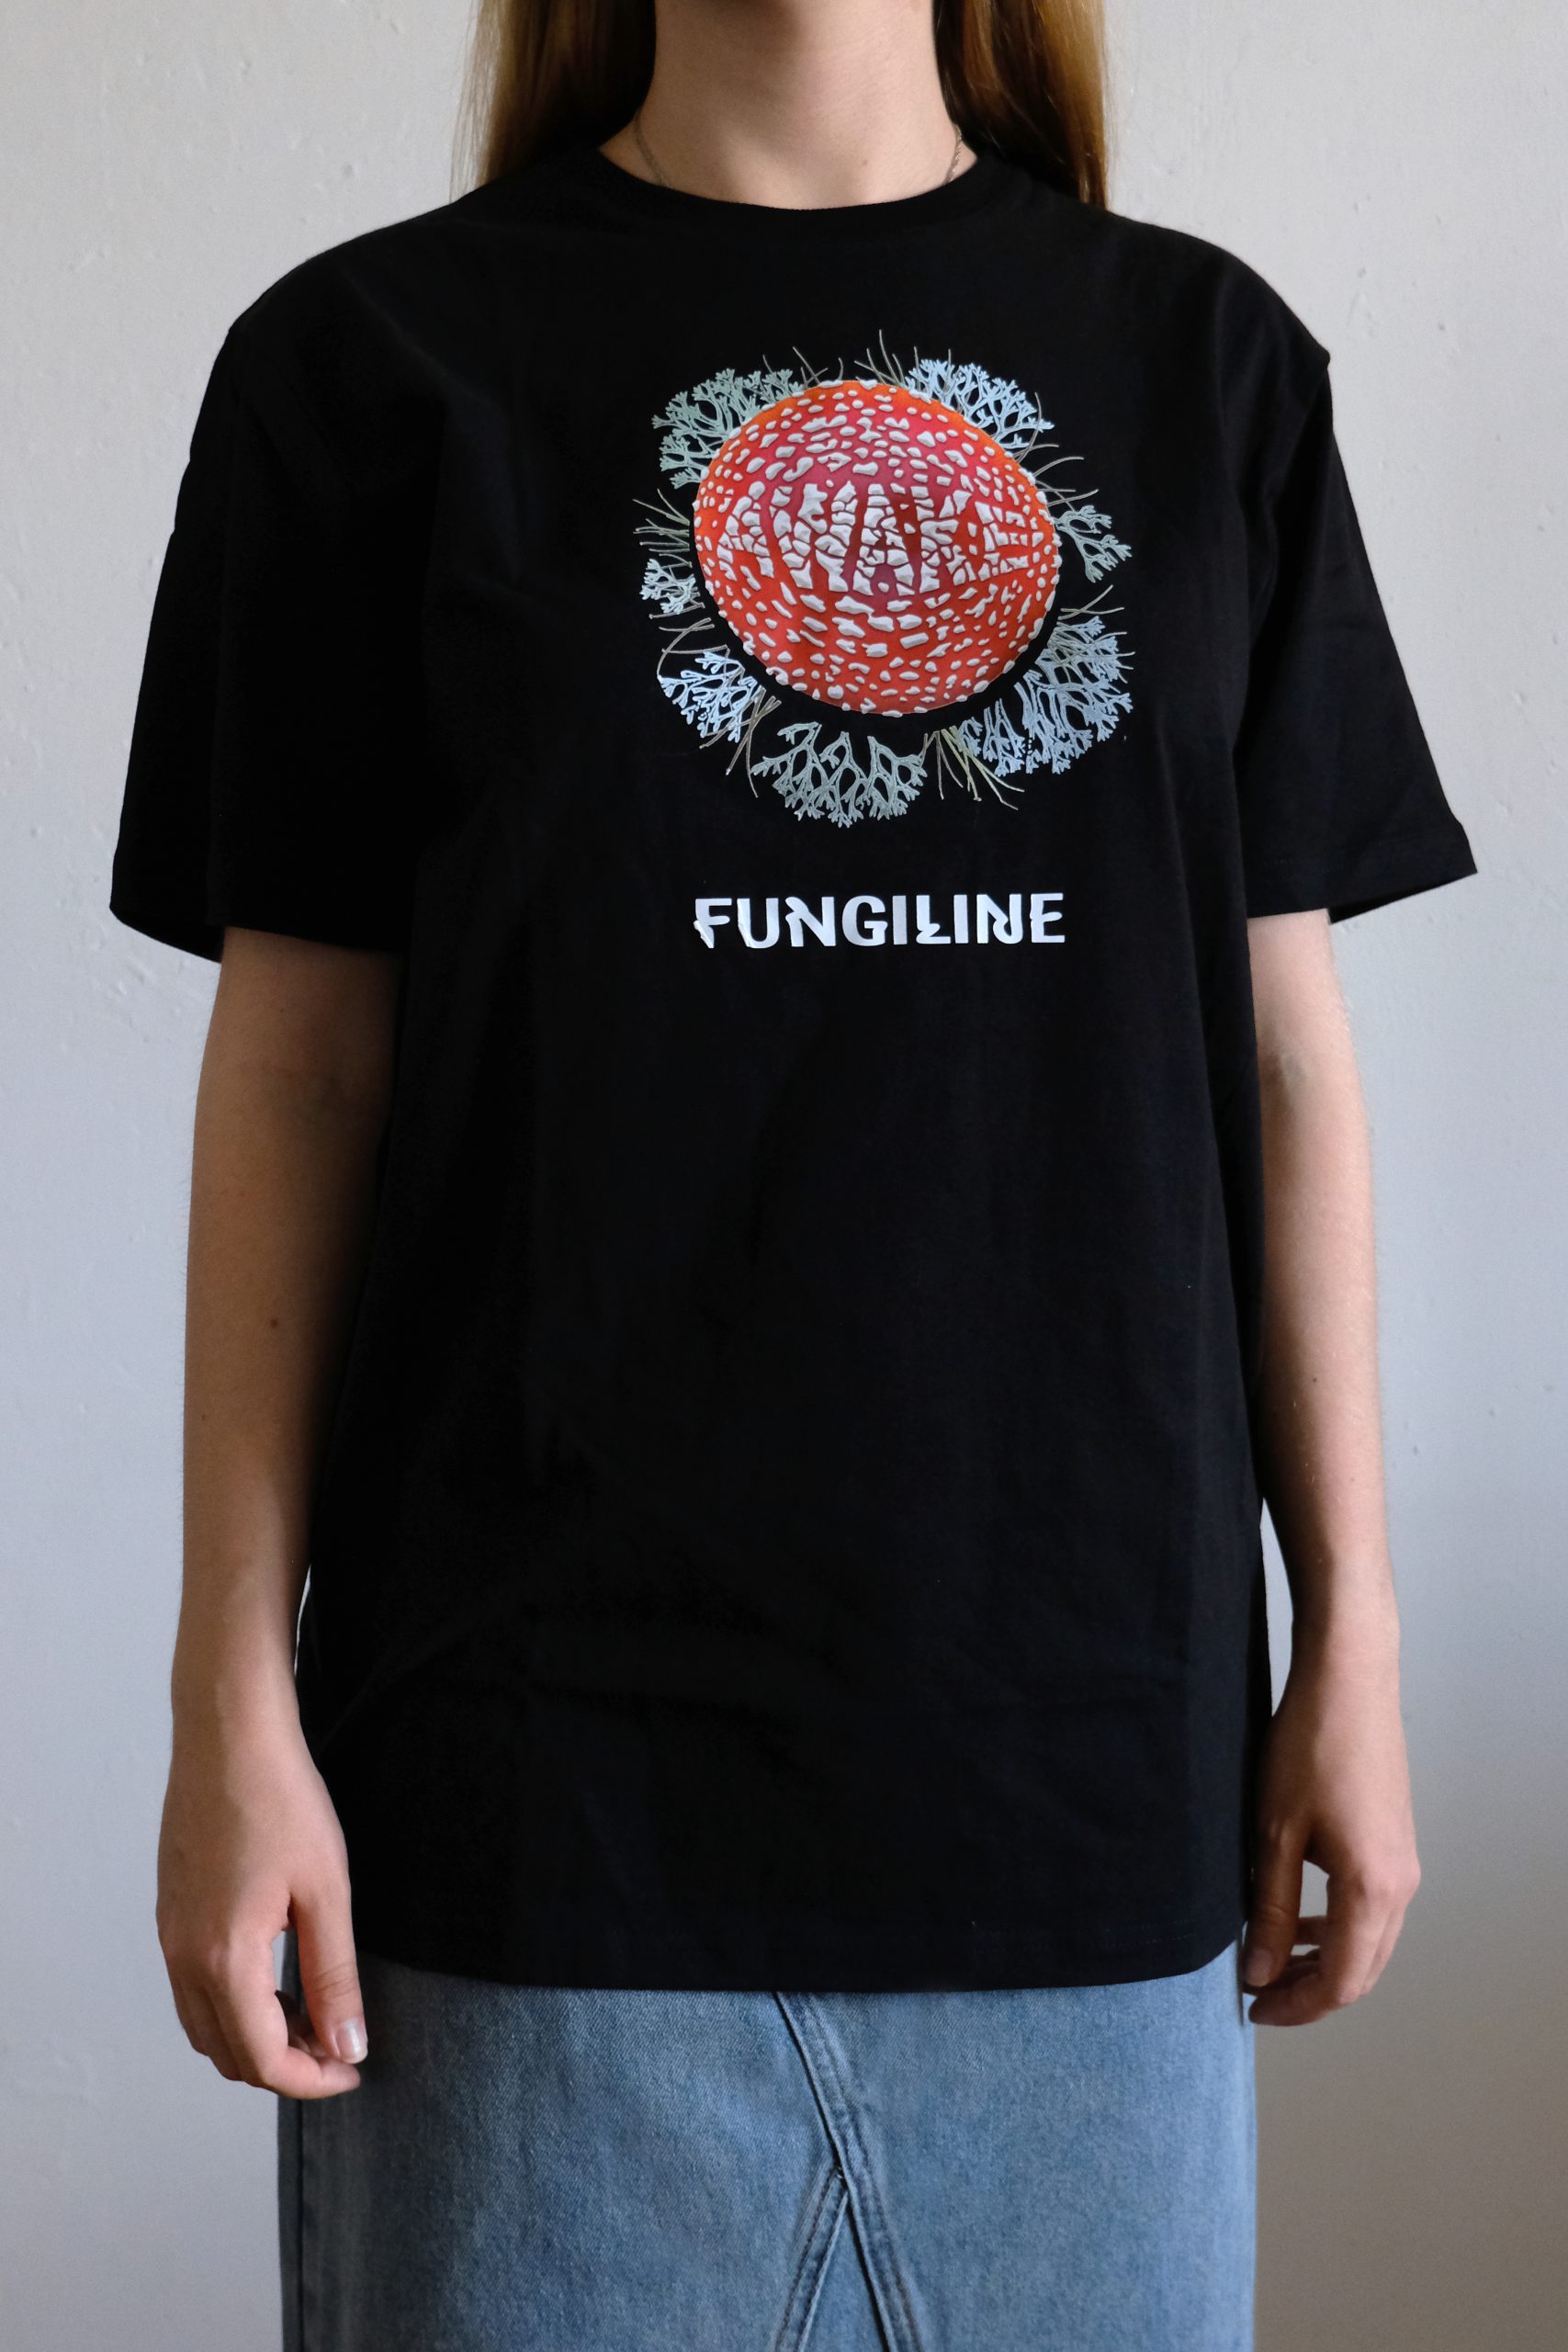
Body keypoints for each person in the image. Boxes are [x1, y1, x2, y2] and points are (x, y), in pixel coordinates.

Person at [108, 1, 1476, 2345]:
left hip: (1088, 1794)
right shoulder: (370, 367)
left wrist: (1349, 1622)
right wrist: (228, 1688)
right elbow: (300, 1077)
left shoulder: (1201, 366)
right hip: (528, 1808)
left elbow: (1279, 1057)